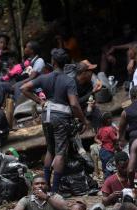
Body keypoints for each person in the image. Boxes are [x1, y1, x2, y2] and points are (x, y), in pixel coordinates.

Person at [20, 48, 89, 194]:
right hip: (61, 117)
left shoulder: (44, 77)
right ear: (65, 64)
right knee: (60, 152)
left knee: (50, 149)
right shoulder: (68, 80)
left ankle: (45, 185)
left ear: (53, 62)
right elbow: (75, 104)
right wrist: (84, 120)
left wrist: (40, 101)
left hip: (46, 115)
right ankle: (55, 189)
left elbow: (24, 88)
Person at [0, 40, 45, 109]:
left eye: (26, 47)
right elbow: (18, 70)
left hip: (34, 85)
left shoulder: (39, 61)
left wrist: (19, 83)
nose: (25, 49)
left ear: (32, 51)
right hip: (24, 83)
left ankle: (19, 108)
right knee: (1, 85)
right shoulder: (28, 61)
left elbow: (33, 77)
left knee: (18, 85)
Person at [94, 112, 118, 178]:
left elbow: (96, 138)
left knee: (105, 169)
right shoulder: (110, 129)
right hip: (108, 152)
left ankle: (106, 184)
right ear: (108, 120)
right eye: (111, 119)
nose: (112, 120)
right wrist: (118, 132)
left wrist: (100, 142)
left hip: (102, 151)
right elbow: (115, 139)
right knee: (110, 170)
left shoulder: (101, 129)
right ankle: (110, 185)